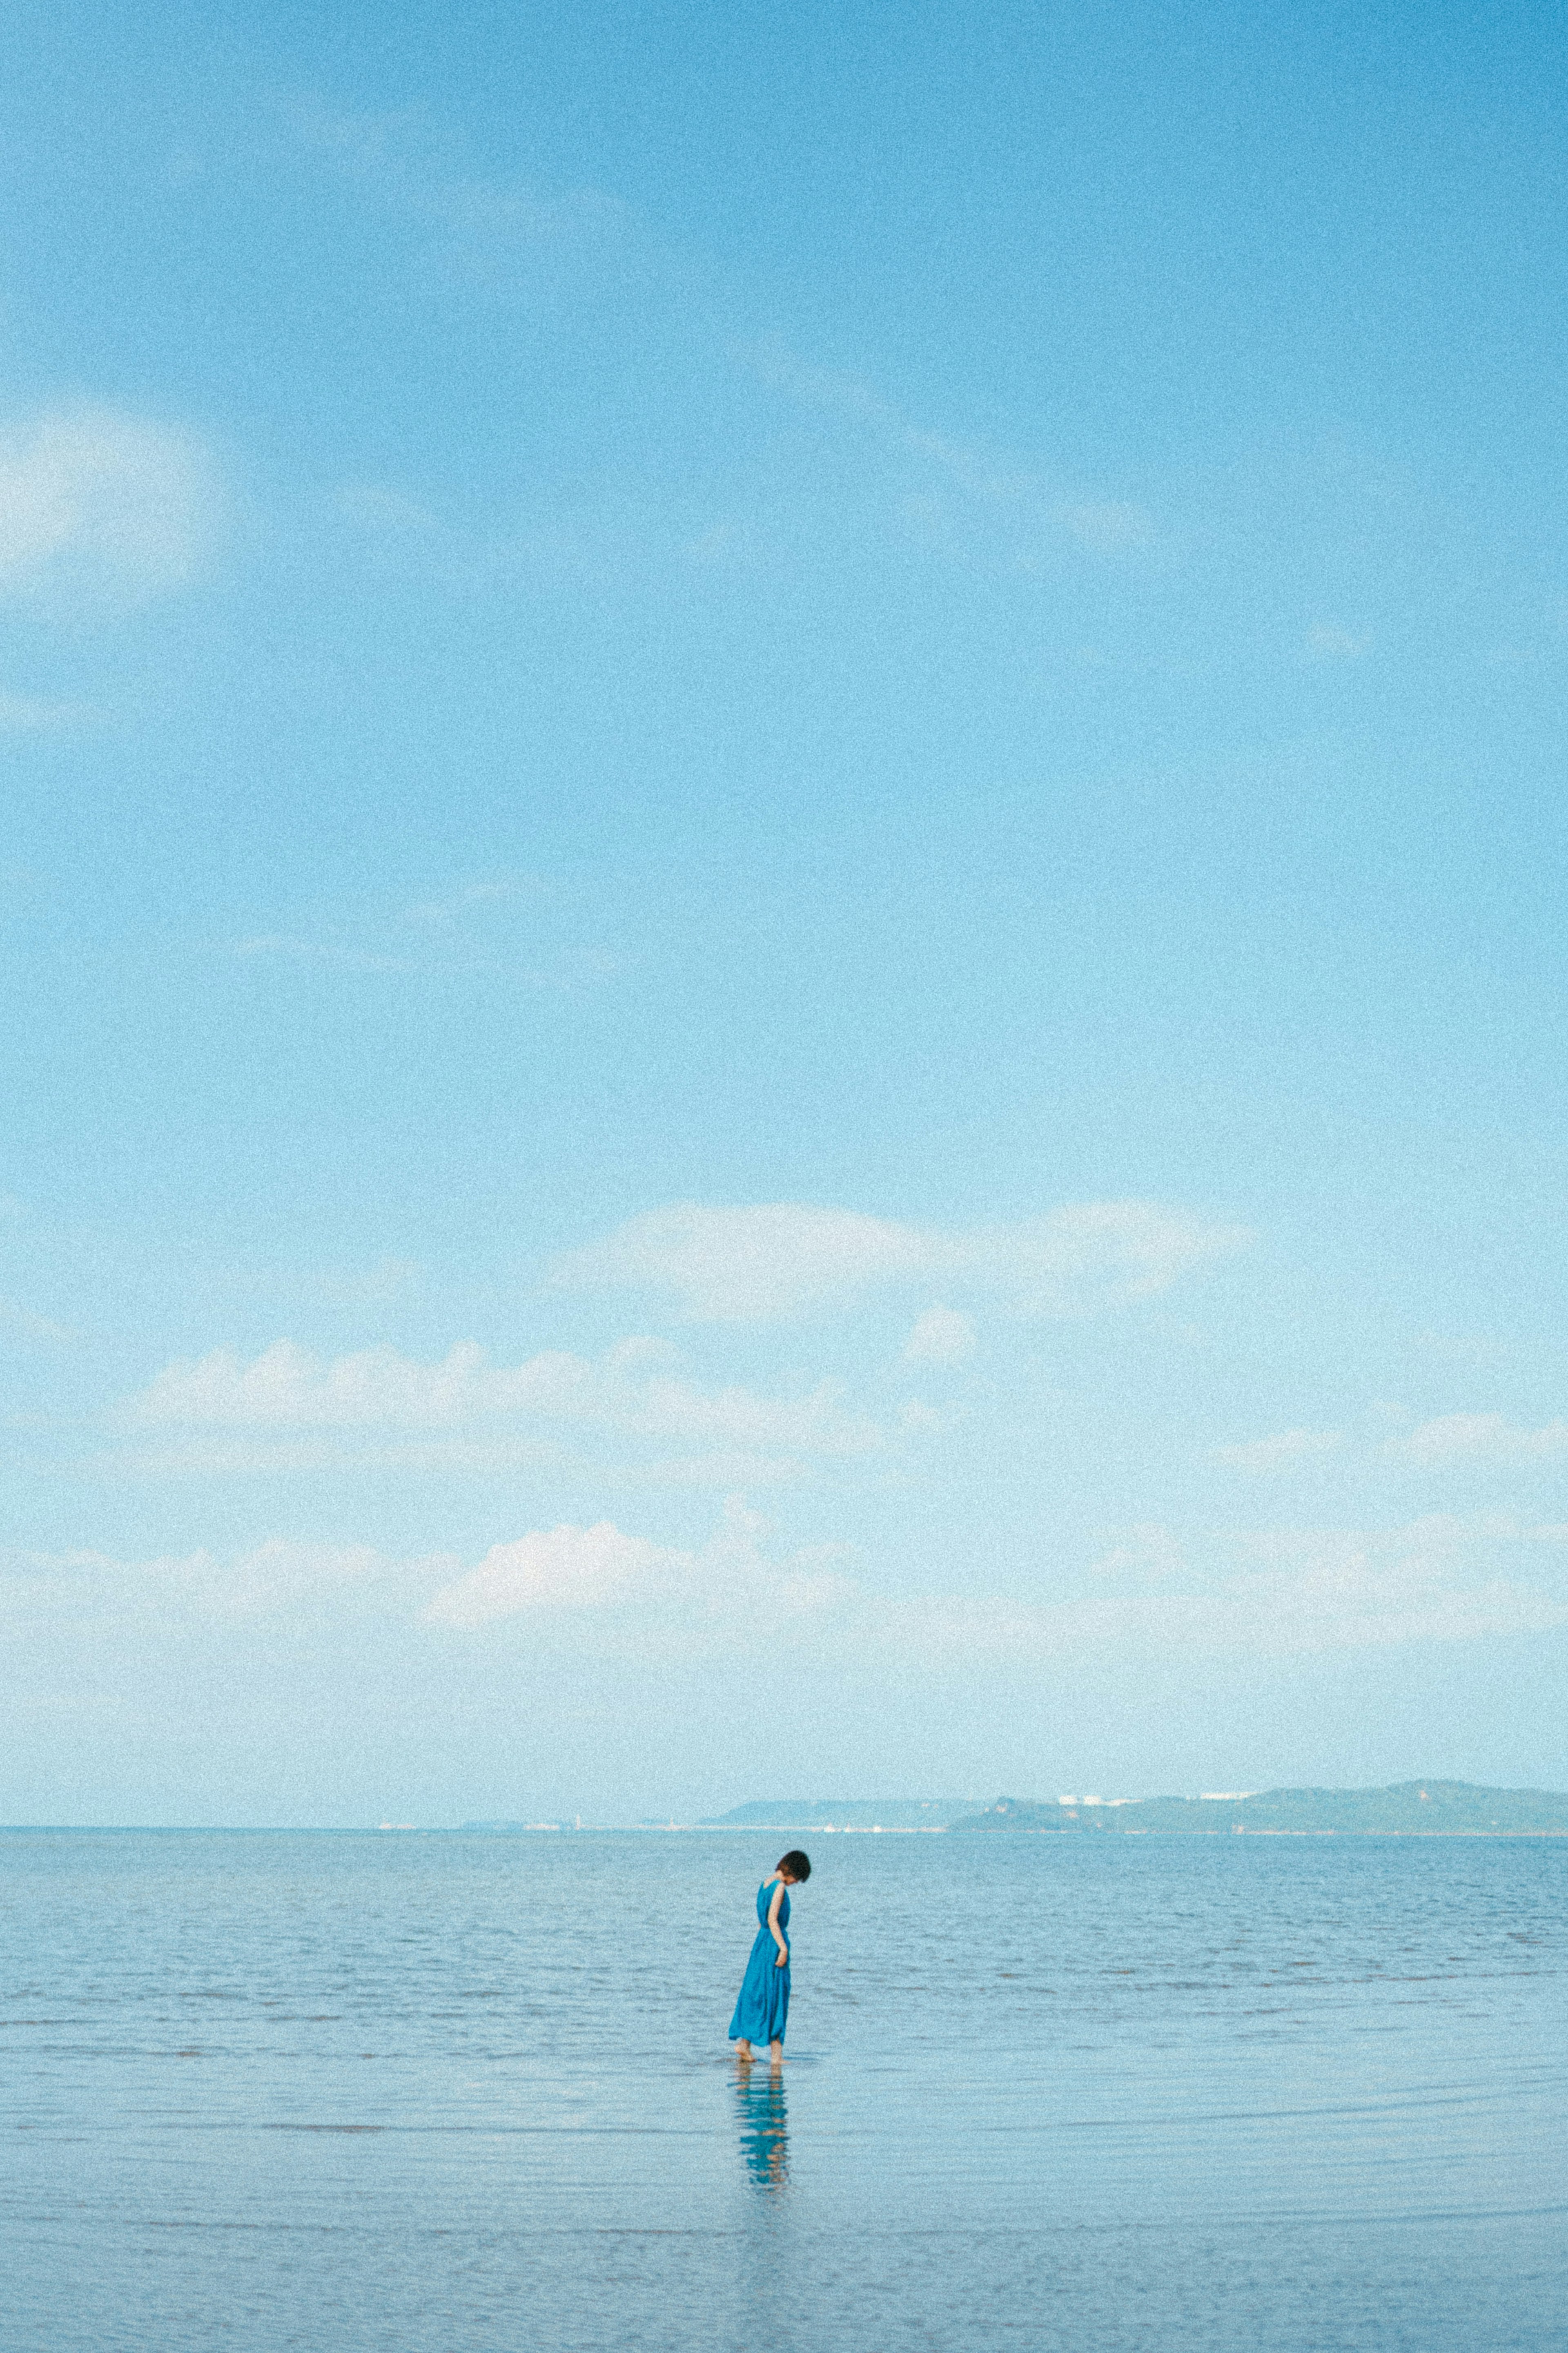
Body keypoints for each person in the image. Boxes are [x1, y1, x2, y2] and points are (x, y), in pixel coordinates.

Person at [728, 1850, 811, 2065]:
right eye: (798, 1878)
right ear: (792, 1871)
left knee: (758, 1994)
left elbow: (762, 1921)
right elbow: (773, 1920)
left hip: (762, 1943)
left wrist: (765, 1943)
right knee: (777, 1997)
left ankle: (744, 2045)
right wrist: (783, 1948)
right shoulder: (780, 1887)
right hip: (774, 1943)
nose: (796, 1883)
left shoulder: (765, 1884)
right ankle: (776, 2057)